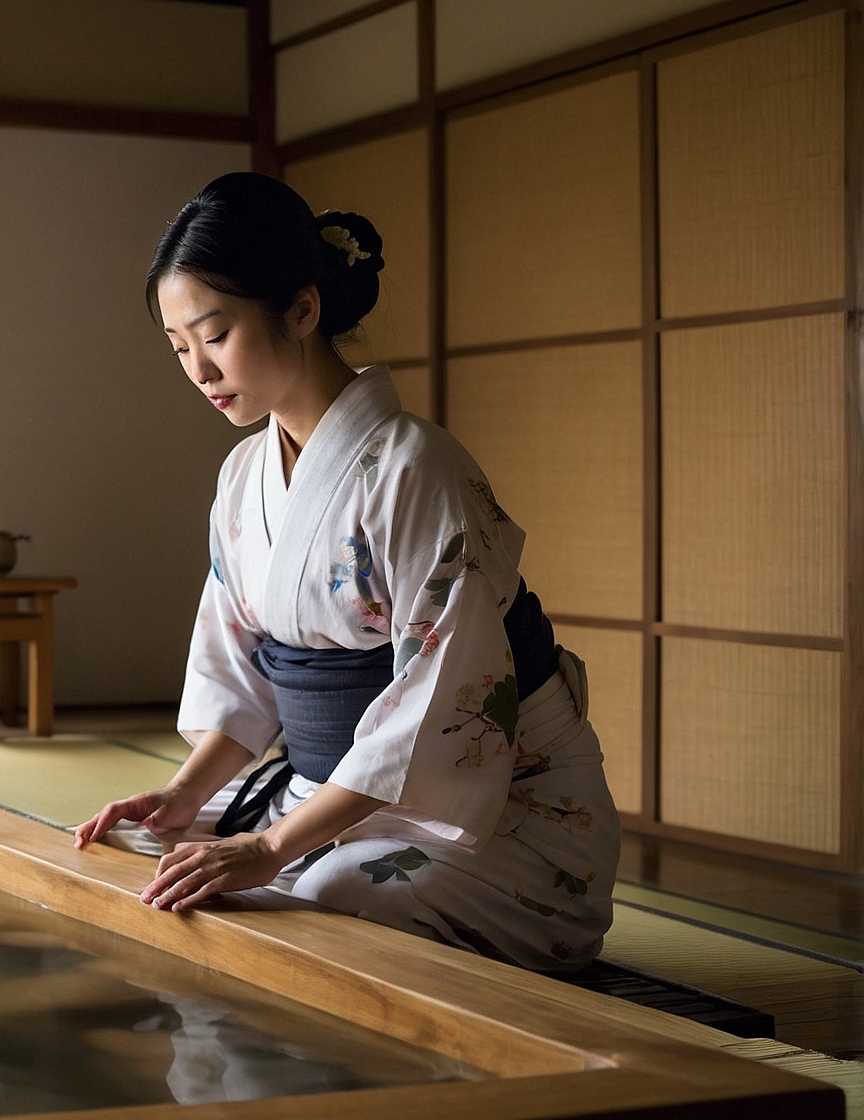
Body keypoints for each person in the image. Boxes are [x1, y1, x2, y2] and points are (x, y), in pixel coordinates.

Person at [71, 172, 616, 971]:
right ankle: (283, 846)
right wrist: (186, 793)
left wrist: (269, 848)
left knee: (329, 902)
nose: (198, 369)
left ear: (301, 309)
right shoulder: (241, 476)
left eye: (214, 335)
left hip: (503, 814)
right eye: (179, 347)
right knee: (133, 845)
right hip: (338, 793)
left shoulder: (415, 467)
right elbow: (241, 672)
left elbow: (437, 714)